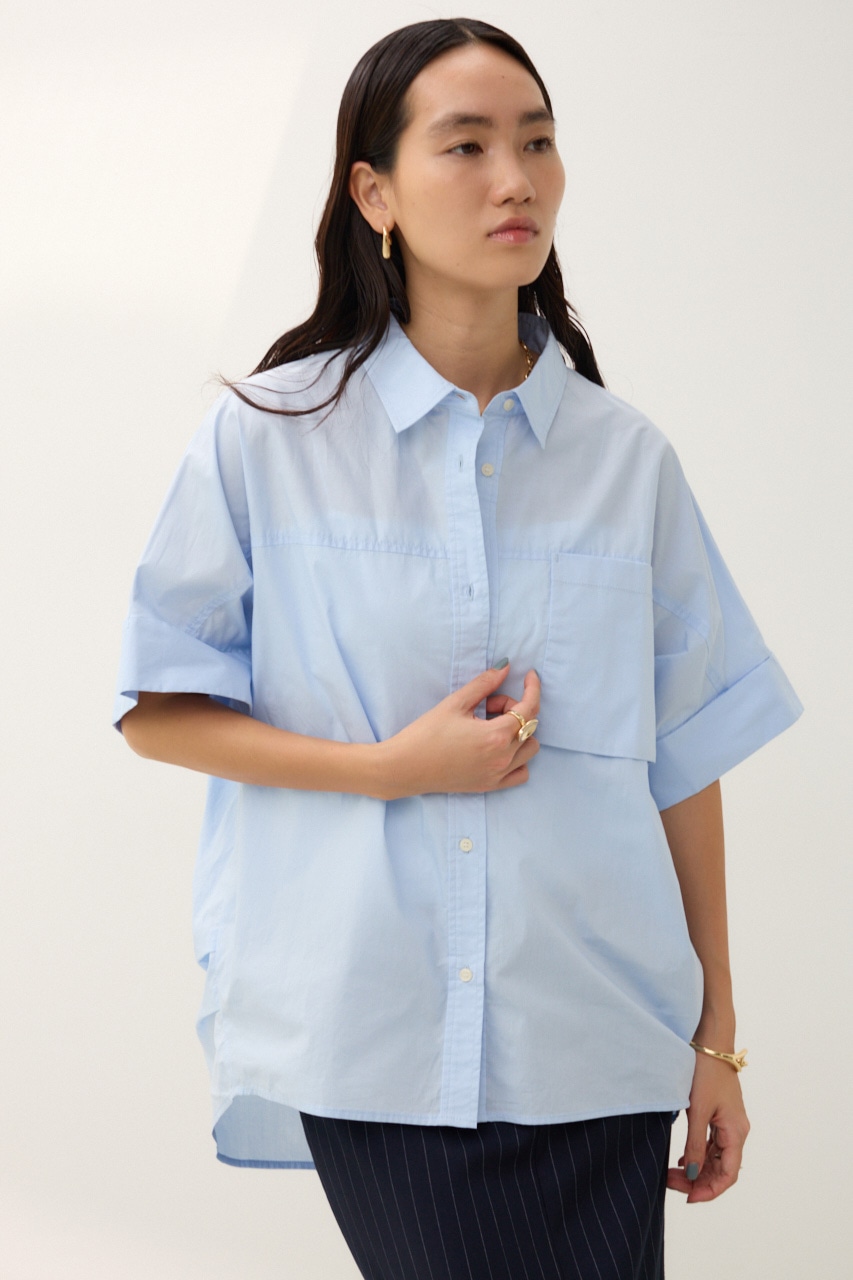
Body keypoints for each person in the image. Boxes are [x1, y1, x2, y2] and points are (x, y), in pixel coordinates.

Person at [113, 17, 803, 1279]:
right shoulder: (265, 439)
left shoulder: (625, 460)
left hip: (597, 1036)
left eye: (536, 142)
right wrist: (391, 767)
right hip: (375, 1032)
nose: (514, 179)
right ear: (373, 192)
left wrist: (718, 1036)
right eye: (467, 144)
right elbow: (158, 708)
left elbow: (684, 756)